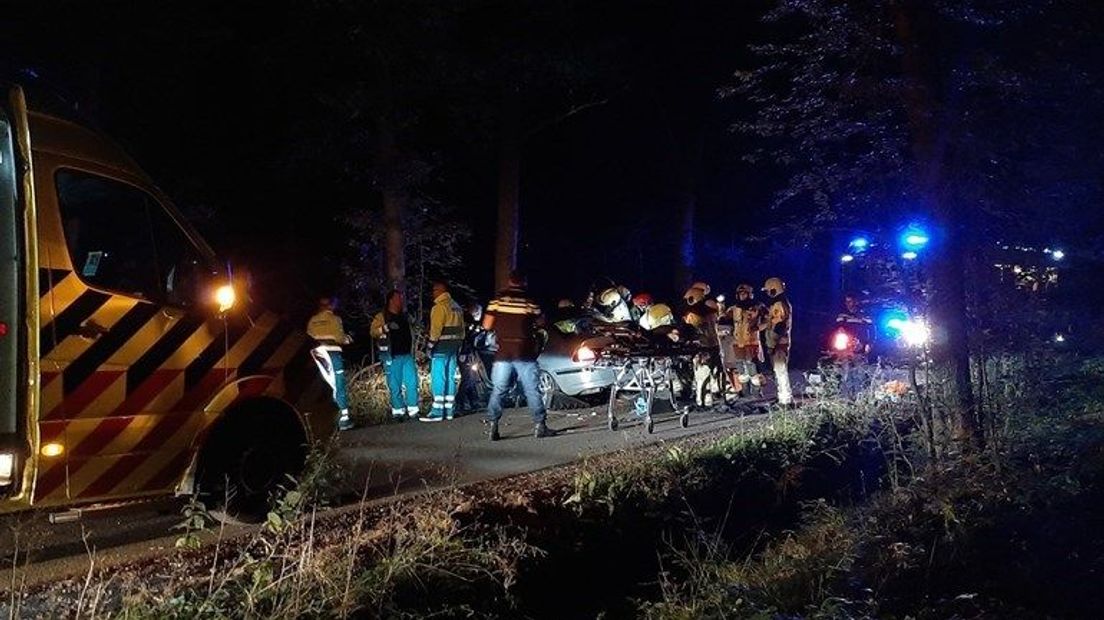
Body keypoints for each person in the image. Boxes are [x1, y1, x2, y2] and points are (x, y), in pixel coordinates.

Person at [483, 271, 558, 440]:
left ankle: (493, 426)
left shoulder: (497, 300)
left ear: (509, 281)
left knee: (499, 389)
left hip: (503, 352)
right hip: (524, 351)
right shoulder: (529, 301)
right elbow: (541, 322)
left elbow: (487, 324)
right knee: (531, 389)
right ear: (524, 282)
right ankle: (540, 425)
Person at [307, 296, 354, 430]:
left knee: (329, 382)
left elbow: (310, 333)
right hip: (333, 353)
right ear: (331, 306)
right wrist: (348, 339)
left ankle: (334, 414)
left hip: (318, 354)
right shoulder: (335, 319)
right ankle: (344, 418)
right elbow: (340, 338)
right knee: (339, 384)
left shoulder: (312, 320)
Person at [370, 290, 419, 420]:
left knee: (412, 382)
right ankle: (398, 412)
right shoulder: (382, 316)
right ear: (391, 300)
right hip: (391, 356)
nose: (401, 301)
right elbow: (373, 332)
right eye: (398, 298)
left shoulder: (404, 316)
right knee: (394, 384)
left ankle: (413, 410)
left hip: (407, 355)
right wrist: (385, 327)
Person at [426, 281, 465, 421]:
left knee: (438, 378)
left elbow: (435, 331)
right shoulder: (456, 307)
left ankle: (437, 411)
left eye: (434, 290)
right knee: (450, 378)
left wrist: (430, 347)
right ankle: (449, 411)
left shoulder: (439, 307)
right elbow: (462, 331)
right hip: (453, 348)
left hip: (441, 348)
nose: (433, 293)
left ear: (439, 291)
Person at [728, 284, 767, 398]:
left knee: (752, 367)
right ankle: (744, 392)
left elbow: (768, 320)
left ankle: (756, 392)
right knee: (741, 368)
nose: (742, 296)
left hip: (752, 342)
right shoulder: (734, 308)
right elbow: (724, 319)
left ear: (750, 294)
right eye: (740, 293)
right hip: (738, 342)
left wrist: (758, 328)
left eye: (744, 293)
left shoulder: (758, 306)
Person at [763, 277, 794, 406]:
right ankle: (782, 396)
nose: (767, 293)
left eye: (768, 290)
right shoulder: (781, 303)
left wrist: (771, 344)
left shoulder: (779, 304)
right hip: (780, 342)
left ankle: (785, 399)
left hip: (779, 343)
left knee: (780, 370)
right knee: (778, 370)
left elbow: (779, 326)